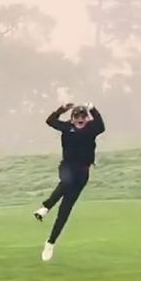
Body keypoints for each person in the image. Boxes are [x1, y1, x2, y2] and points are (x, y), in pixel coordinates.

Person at [33, 103, 105, 261]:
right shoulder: (66, 127)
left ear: (87, 118)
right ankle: (45, 207)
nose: (80, 119)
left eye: (83, 116)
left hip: (83, 171)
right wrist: (61, 109)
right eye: (76, 117)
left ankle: (50, 243)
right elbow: (50, 121)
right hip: (67, 166)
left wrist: (93, 109)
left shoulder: (91, 128)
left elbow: (101, 126)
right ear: (72, 119)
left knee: (65, 210)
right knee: (66, 182)